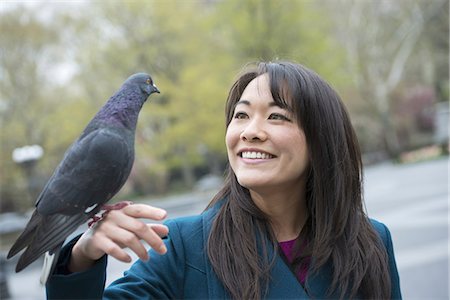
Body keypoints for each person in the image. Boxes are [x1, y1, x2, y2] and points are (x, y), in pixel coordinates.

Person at [46, 61, 402, 299]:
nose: (250, 131)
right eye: (241, 114)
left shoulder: (371, 242)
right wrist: (82, 257)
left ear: (321, 139)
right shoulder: (179, 247)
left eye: (276, 116)